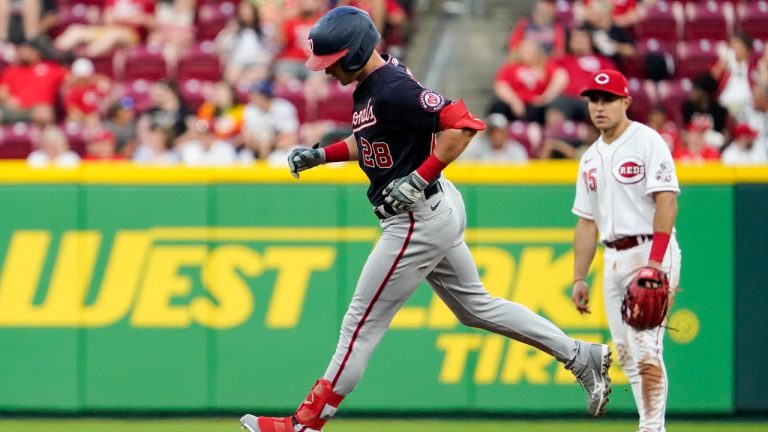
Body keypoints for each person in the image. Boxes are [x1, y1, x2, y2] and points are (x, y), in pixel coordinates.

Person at [240, 7, 613, 432]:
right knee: (476, 307)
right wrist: (324, 155)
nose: (327, 72)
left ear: (358, 52)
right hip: (431, 210)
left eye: (333, 62)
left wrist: (421, 176)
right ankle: (581, 355)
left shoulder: (393, 86)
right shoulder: (372, 84)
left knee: (358, 325)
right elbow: (374, 142)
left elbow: (463, 124)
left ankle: (305, 424)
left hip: (416, 217)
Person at [571, 69, 682, 432]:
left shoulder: (647, 140)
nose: (599, 107)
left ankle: (652, 429)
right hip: (613, 257)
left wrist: (656, 262)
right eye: (594, 100)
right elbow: (587, 222)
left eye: (608, 99)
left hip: (650, 250)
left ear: (625, 102)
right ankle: (649, 424)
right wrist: (579, 277)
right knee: (626, 353)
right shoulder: (589, 157)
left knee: (646, 348)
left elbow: (667, 202)